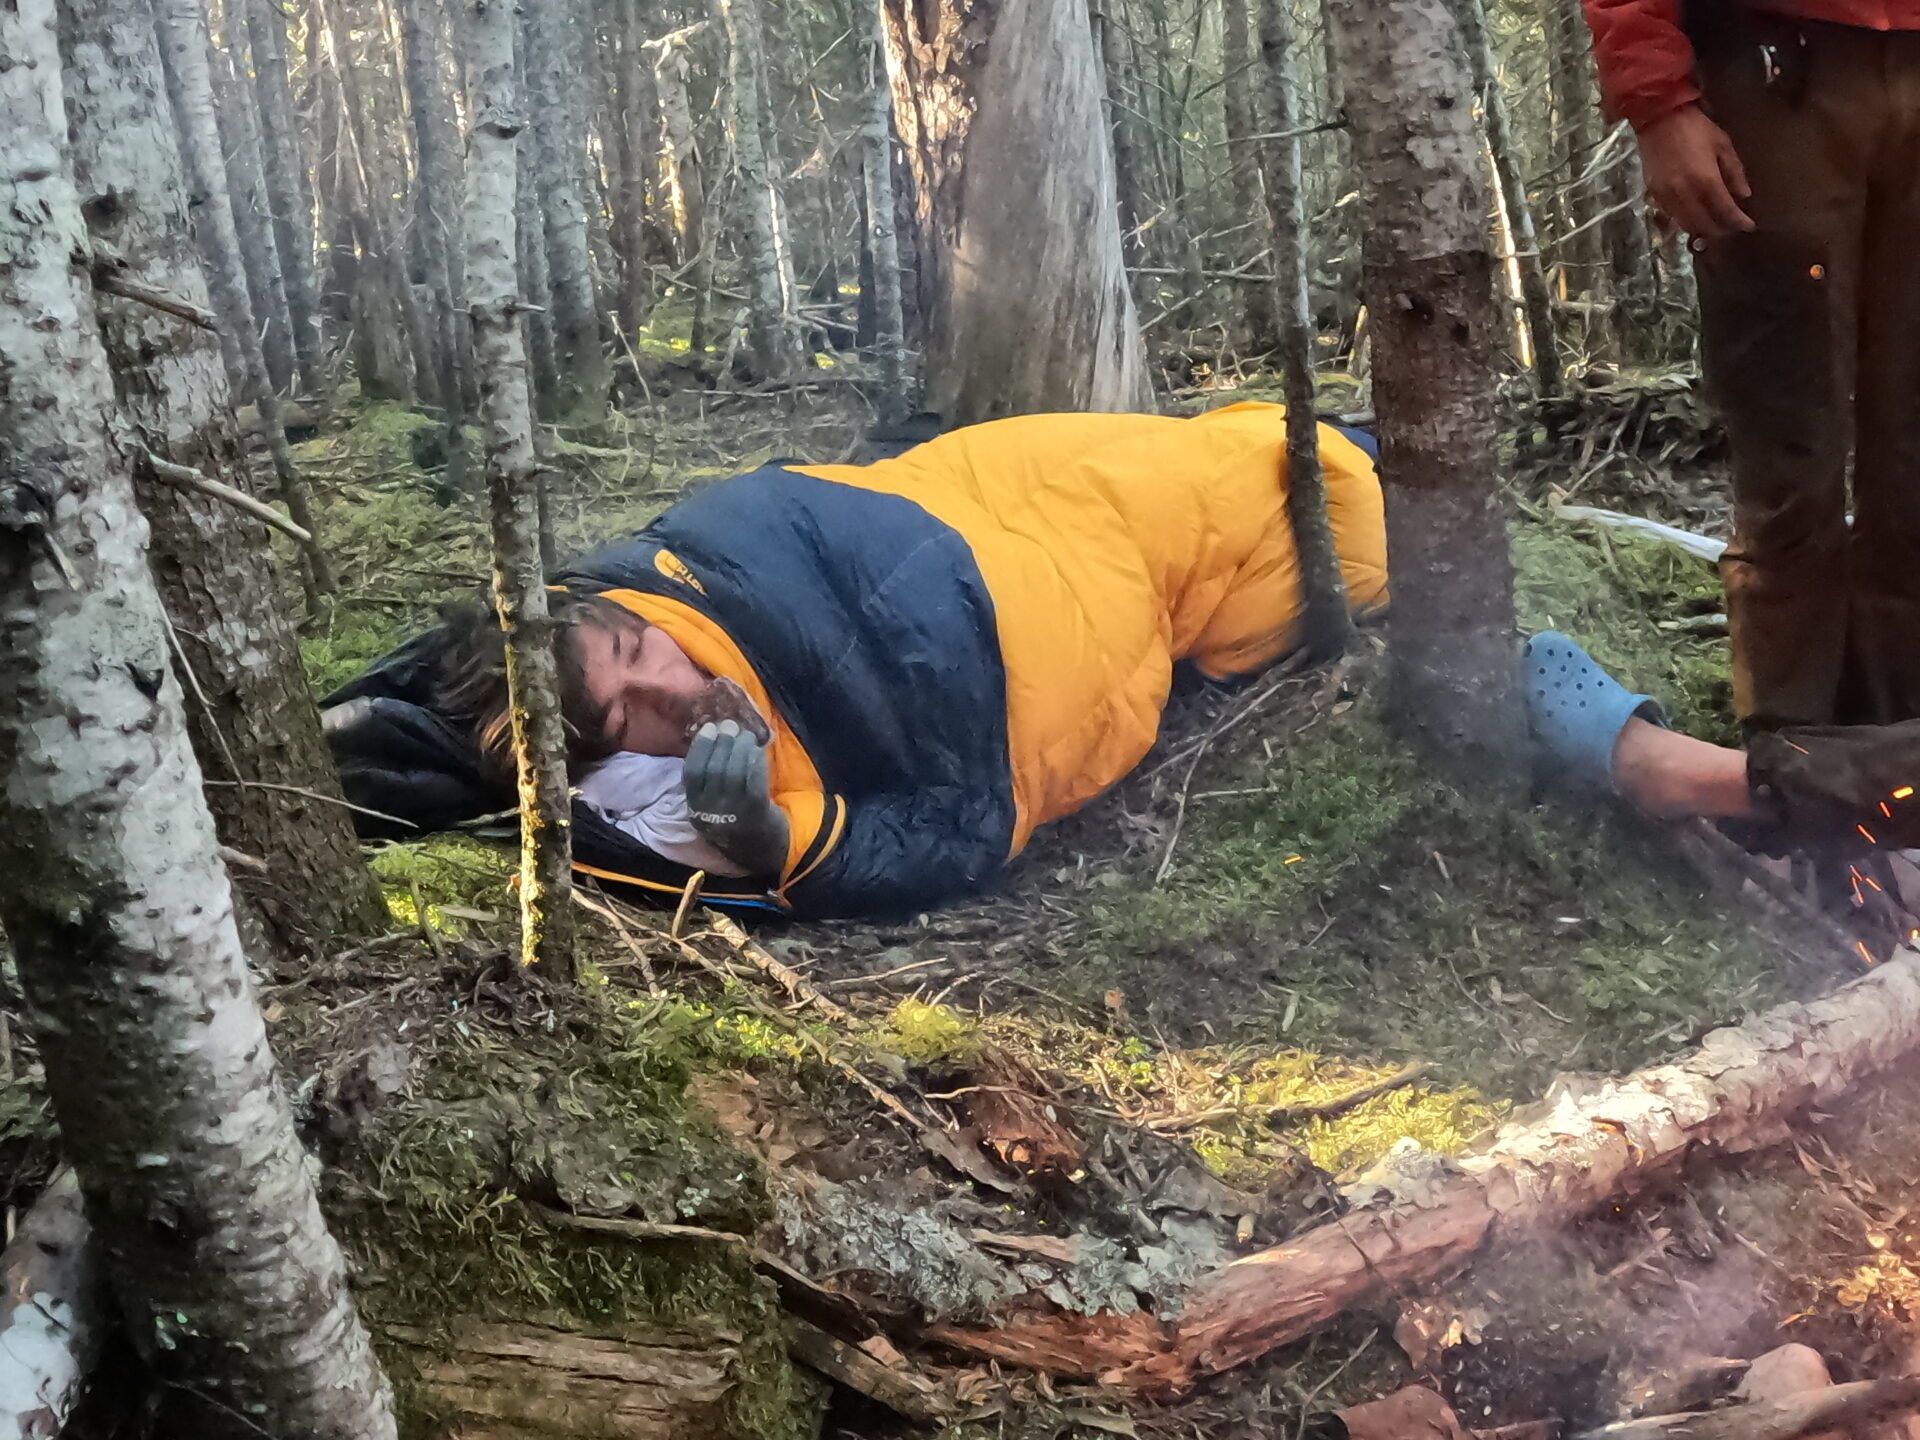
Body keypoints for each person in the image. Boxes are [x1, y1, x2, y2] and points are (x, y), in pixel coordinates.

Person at [323, 402, 1389, 919]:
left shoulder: (631, 581)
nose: (677, 686)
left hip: (929, 504)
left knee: (1193, 453)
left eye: (636, 647)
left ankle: (1356, 435)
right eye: (634, 712)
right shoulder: (696, 803)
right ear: (602, 759)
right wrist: (788, 838)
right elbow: (960, 827)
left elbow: (515, 622)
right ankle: (1358, 449)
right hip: (1018, 647)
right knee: (1293, 485)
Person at [1583, 0, 1920, 730]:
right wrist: (1658, 101)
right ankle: (1794, 768)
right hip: (1779, 74)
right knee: (1790, 455)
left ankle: (1899, 762)